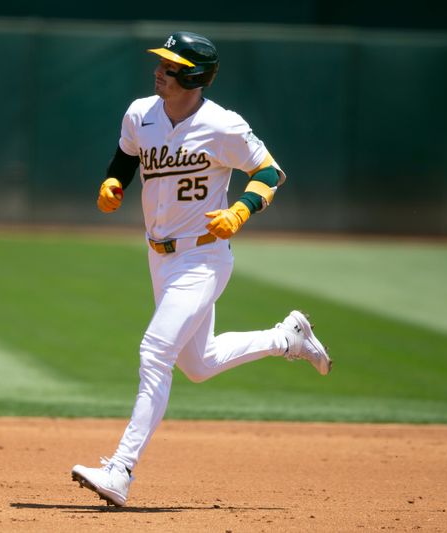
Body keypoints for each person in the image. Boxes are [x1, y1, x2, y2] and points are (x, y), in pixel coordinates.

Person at [71, 32, 332, 506]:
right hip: (159, 256)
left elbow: (271, 172)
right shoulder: (139, 113)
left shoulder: (223, 126)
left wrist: (241, 210)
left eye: (170, 67)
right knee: (198, 363)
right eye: (162, 63)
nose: (159, 71)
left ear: (193, 76)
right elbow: (127, 157)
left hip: (204, 257)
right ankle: (287, 338)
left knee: (155, 354)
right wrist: (113, 181)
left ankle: (120, 470)